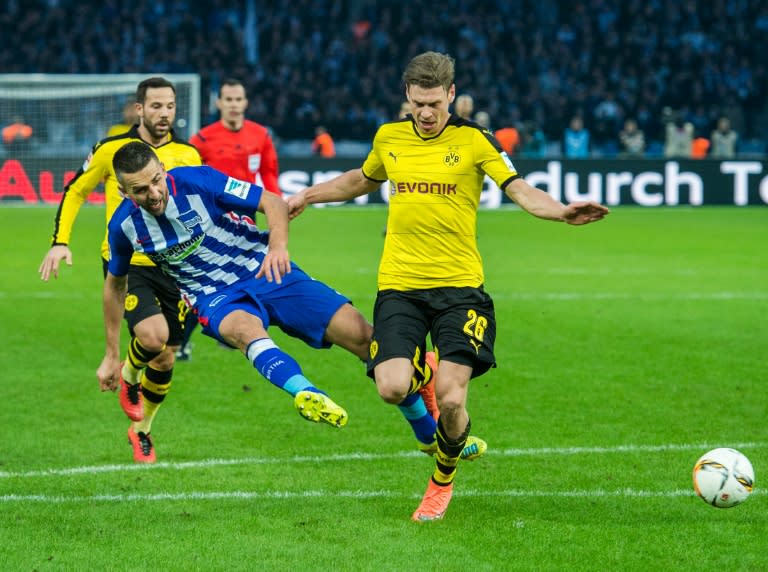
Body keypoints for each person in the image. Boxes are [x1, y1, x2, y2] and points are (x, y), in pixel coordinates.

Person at [287, 51, 609, 522]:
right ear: (407, 97)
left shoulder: (475, 140)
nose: (426, 113)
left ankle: (440, 481)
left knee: (454, 401)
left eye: (435, 103)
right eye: (418, 103)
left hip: (460, 289)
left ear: (451, 96)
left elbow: (518, 188)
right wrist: (306, 196)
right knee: (392, 387)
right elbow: (362, 178)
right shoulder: (389, 137)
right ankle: (424, 370)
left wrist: (559, 211)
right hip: (400, 286)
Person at [100, 142, 485, 464]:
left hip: (268, 269)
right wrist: (110, 353)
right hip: (212, 294)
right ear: (123, 192)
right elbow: (115, 283)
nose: (153, 194)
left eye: (155, 181)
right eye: (140, 190)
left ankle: (427, 434)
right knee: (244, 331)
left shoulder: (197, 180)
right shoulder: (123, 227)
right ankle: (304, 392)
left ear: (162, 169)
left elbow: (271, 201)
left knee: (368, 340)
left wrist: (278, 246)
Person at [38, 77, 202, 464]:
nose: (164, 114)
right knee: (151, 335)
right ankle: (125, 372)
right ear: (139, 108)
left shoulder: (189, 154)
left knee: (164, 358)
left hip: (175, 265)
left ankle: (141, 431)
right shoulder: (112, 150)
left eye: (170, 107)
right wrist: (60, 241)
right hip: (128, 262)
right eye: (156, 106)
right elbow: (76, 190)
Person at [176, 78, 282, 361]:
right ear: (219, 103)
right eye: (229, 100)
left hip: (246, 215)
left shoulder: (260, 135)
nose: (234, 105)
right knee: (200, 278)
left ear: (245, 103)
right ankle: (181, 342)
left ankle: (233, 331)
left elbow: (270, 174)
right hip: (211, 217)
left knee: (245, 275)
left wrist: (277, 208)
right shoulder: (202, 139)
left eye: (238, 99)